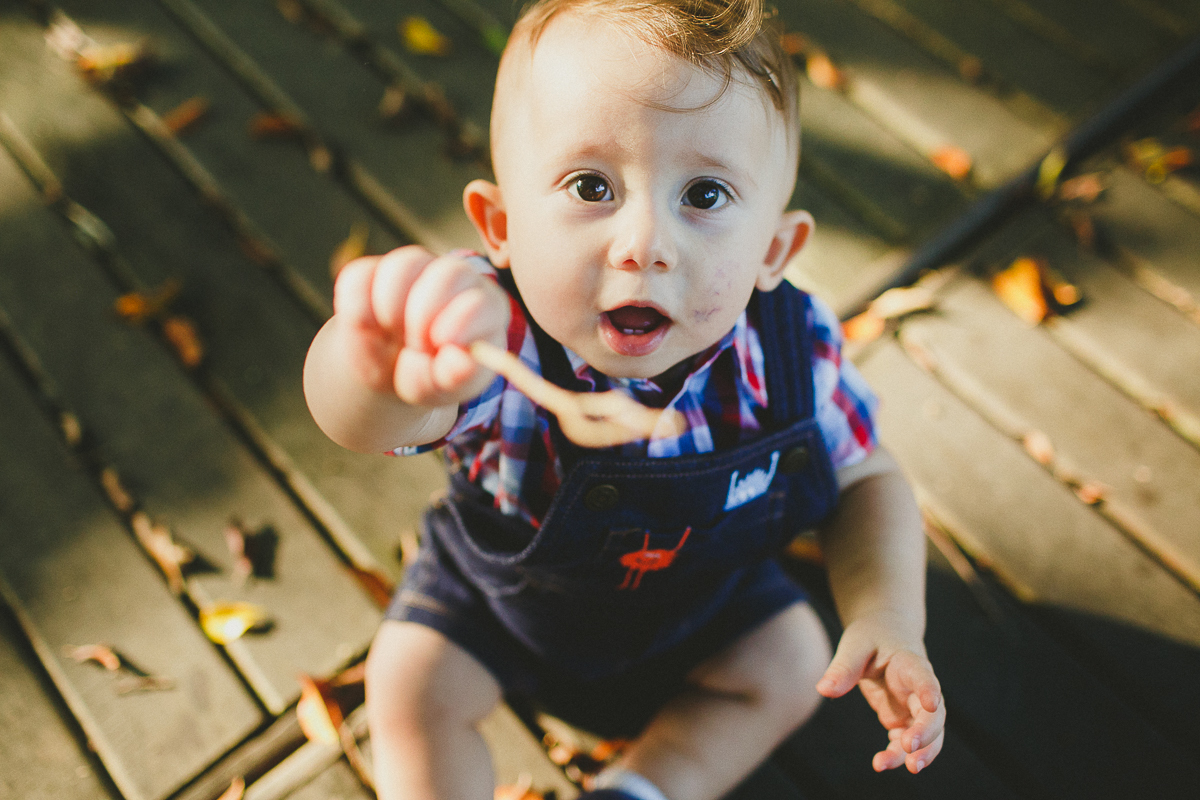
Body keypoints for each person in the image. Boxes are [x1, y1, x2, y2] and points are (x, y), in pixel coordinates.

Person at [303, 0, 945, 798]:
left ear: (774, 250)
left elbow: (865, 480)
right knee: (407, 686)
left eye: (704, 196)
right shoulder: (486, 334)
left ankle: (645, 788)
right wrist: (374, 368)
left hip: (705, 615)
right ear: (500, 226)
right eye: (591, 184)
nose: (643, 244)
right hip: (498, 613)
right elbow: (365, 423)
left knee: (791, 661)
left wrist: (887, 615)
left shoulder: (789, 354)